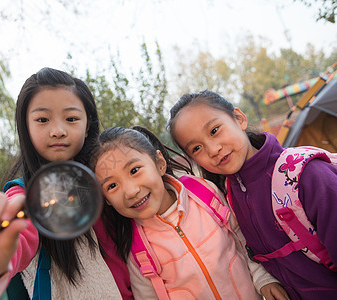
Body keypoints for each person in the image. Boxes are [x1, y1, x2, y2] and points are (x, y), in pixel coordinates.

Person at [0, 68, 132, 299]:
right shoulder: (23, 197)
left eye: (71, 118)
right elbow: (16, 243)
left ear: (88, 125)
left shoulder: (109, 178)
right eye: (43, 120)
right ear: (26, 127)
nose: (58, 131)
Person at [168, 90, 337, 299]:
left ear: (239, 118)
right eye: (196, 148)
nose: (212, 149)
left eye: (214, 130)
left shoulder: (306, 175)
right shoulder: (230, 195)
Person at [90, 125, 288, 299]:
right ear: (106, 198)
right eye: (112, 185)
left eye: (134, 170)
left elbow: (242, 238)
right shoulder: (137, 247)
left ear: (159, 163)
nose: (131, 191)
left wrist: (263, 279)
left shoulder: (202, 193)